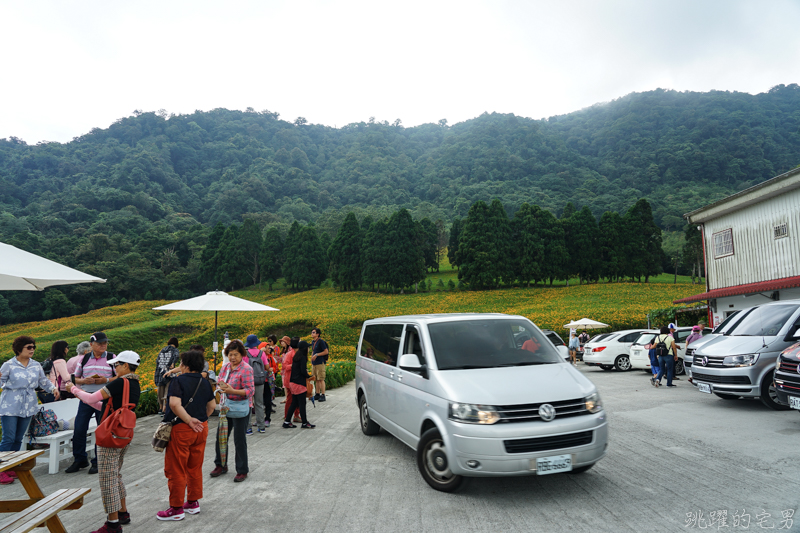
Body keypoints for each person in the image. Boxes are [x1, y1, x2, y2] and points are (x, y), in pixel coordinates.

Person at [67, 351, 141, 533]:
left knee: (107, 478)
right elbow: (106, 406)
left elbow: (92, 398)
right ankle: (123, 512)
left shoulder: (118, 382)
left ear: (125, 366)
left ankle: (113, 524)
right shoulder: (134, 384)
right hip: (124, 433)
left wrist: (73, 389)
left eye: (116, 365)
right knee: (115, 474)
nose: (114, 368)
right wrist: (83, 397)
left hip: (110, 435)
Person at [156, 350, 216, 521]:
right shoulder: (205, 382)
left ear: (186, 365)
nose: (179, 366)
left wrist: (189, 420)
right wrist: (200, 420)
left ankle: (176, 508)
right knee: (194, 467)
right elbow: (211, 405)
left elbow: (174, 404)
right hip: (201, 429)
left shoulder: (178, 381)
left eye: (181, 363)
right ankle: (192, 502)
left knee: (176, 469)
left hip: (182, 429)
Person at [0, 336, 59, 485]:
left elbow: (42, 381)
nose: (32, 349)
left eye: (33, 347)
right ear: (19, 348)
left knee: (18, 439)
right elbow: (1, 382)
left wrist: (53, 389)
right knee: (8, 438)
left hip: (28, 405)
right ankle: (1, 469)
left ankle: (11, 465)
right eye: (29, 347)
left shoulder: (35, 365)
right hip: (11, 404)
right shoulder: (8, 365)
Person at [67, 331, 116, 475]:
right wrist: (84, 381)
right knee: (79, 428)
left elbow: (120, 377)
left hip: (104, 397)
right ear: (91, 345)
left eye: (105, 343)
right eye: (100, 343)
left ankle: (98, 461)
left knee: (101, 429)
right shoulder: (84, 359)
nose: (103, 345)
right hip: (86, 397)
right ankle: (80, 459)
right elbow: (75, 378)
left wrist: (105, 380)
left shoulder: (112, 357)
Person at [211, 340, 254, 482]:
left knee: (239, 439)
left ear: (242, 354)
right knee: (221, 437)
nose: (232, 357)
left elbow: (250, 390)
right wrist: (222, 386)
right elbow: (220, 381)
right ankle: (220, 465)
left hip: (241, 407)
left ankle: (242, 470)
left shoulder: (246, 369)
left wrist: (232, 390)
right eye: (230, 354)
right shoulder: (225, 367)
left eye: (235, 354)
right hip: (226, 406)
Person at [283, 340, 315, 429]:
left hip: (292, 382)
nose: (309, 349)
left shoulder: (296, 356)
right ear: (305, 348)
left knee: (294, 403)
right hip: (299, 384)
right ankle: (304, 423)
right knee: (302, 403)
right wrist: (309, 376)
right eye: (308, 347)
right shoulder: (303, 357)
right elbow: (303, 371)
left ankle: (287, 421)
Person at [243, 335, 268, 435]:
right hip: (259, 381)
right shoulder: (262, 353)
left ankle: (248, 428)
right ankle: (261, 427)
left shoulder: (245, 354)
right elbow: (266, 366)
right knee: (259, 404)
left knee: (248, 404)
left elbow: (243, 367)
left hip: (248, 382)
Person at [154, 338, 180, 414]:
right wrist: (172, 363)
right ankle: (165, 408)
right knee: (167, 389)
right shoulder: (175, 350)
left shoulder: (162, 350)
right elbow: (176, 356)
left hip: (159, 372)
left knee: (160, 389)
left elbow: (157, 361)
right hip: (168, 371)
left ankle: (160, 407)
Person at [280, 337, 301, 423]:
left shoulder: (300, 353)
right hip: (290, 379)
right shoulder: (289, 354)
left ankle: (296, 415)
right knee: (290, 399)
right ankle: (287, 416)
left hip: (298, 379)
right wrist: (292, 366)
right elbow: (284, 366)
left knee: (298, 398)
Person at [310, 327, 329, 401]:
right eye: (312, 332)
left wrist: (317, 355)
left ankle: (323, 394)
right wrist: (312, 356)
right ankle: (317, 394)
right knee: (316, 379)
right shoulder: (313, 342)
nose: (312, 333)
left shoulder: (321, 342)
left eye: (314, 332)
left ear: (318, 334)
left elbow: (326, 351)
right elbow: (313, 350)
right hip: (314, 363)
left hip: (320, 362)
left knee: (321, 379)